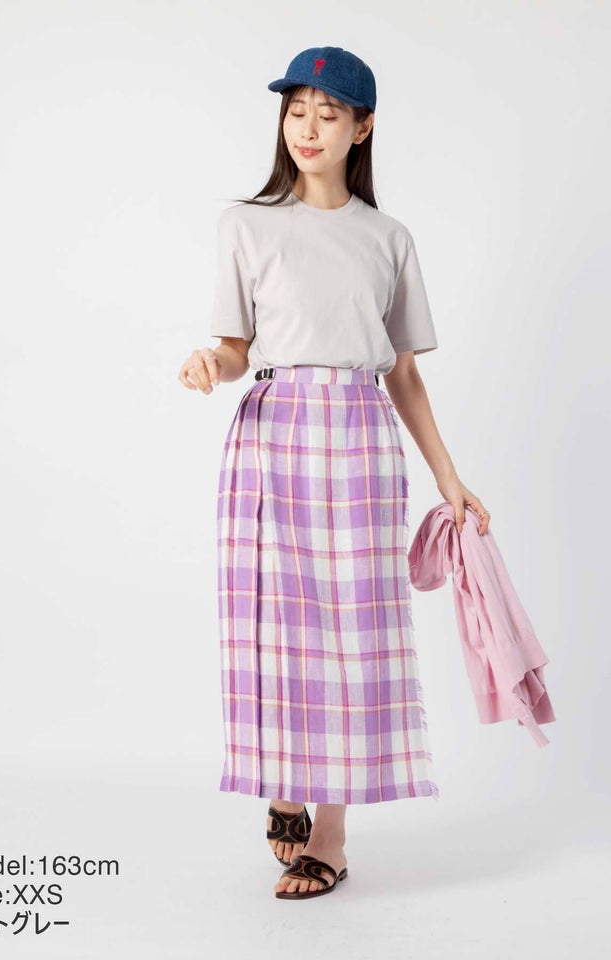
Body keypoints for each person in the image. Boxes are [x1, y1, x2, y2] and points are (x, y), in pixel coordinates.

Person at [178, 46, 491, 901]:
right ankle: (282, 775)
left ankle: (332, 834)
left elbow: (404, 373)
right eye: (296, 110)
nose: (307, 128)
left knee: (353, 633)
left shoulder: (388, 239)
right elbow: (237, 348)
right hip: (273, 433)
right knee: (273, 622)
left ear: (363, 127)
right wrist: (211, 362)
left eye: (328, 112)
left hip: (359, 438)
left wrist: (449, 479)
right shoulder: (246, 225)